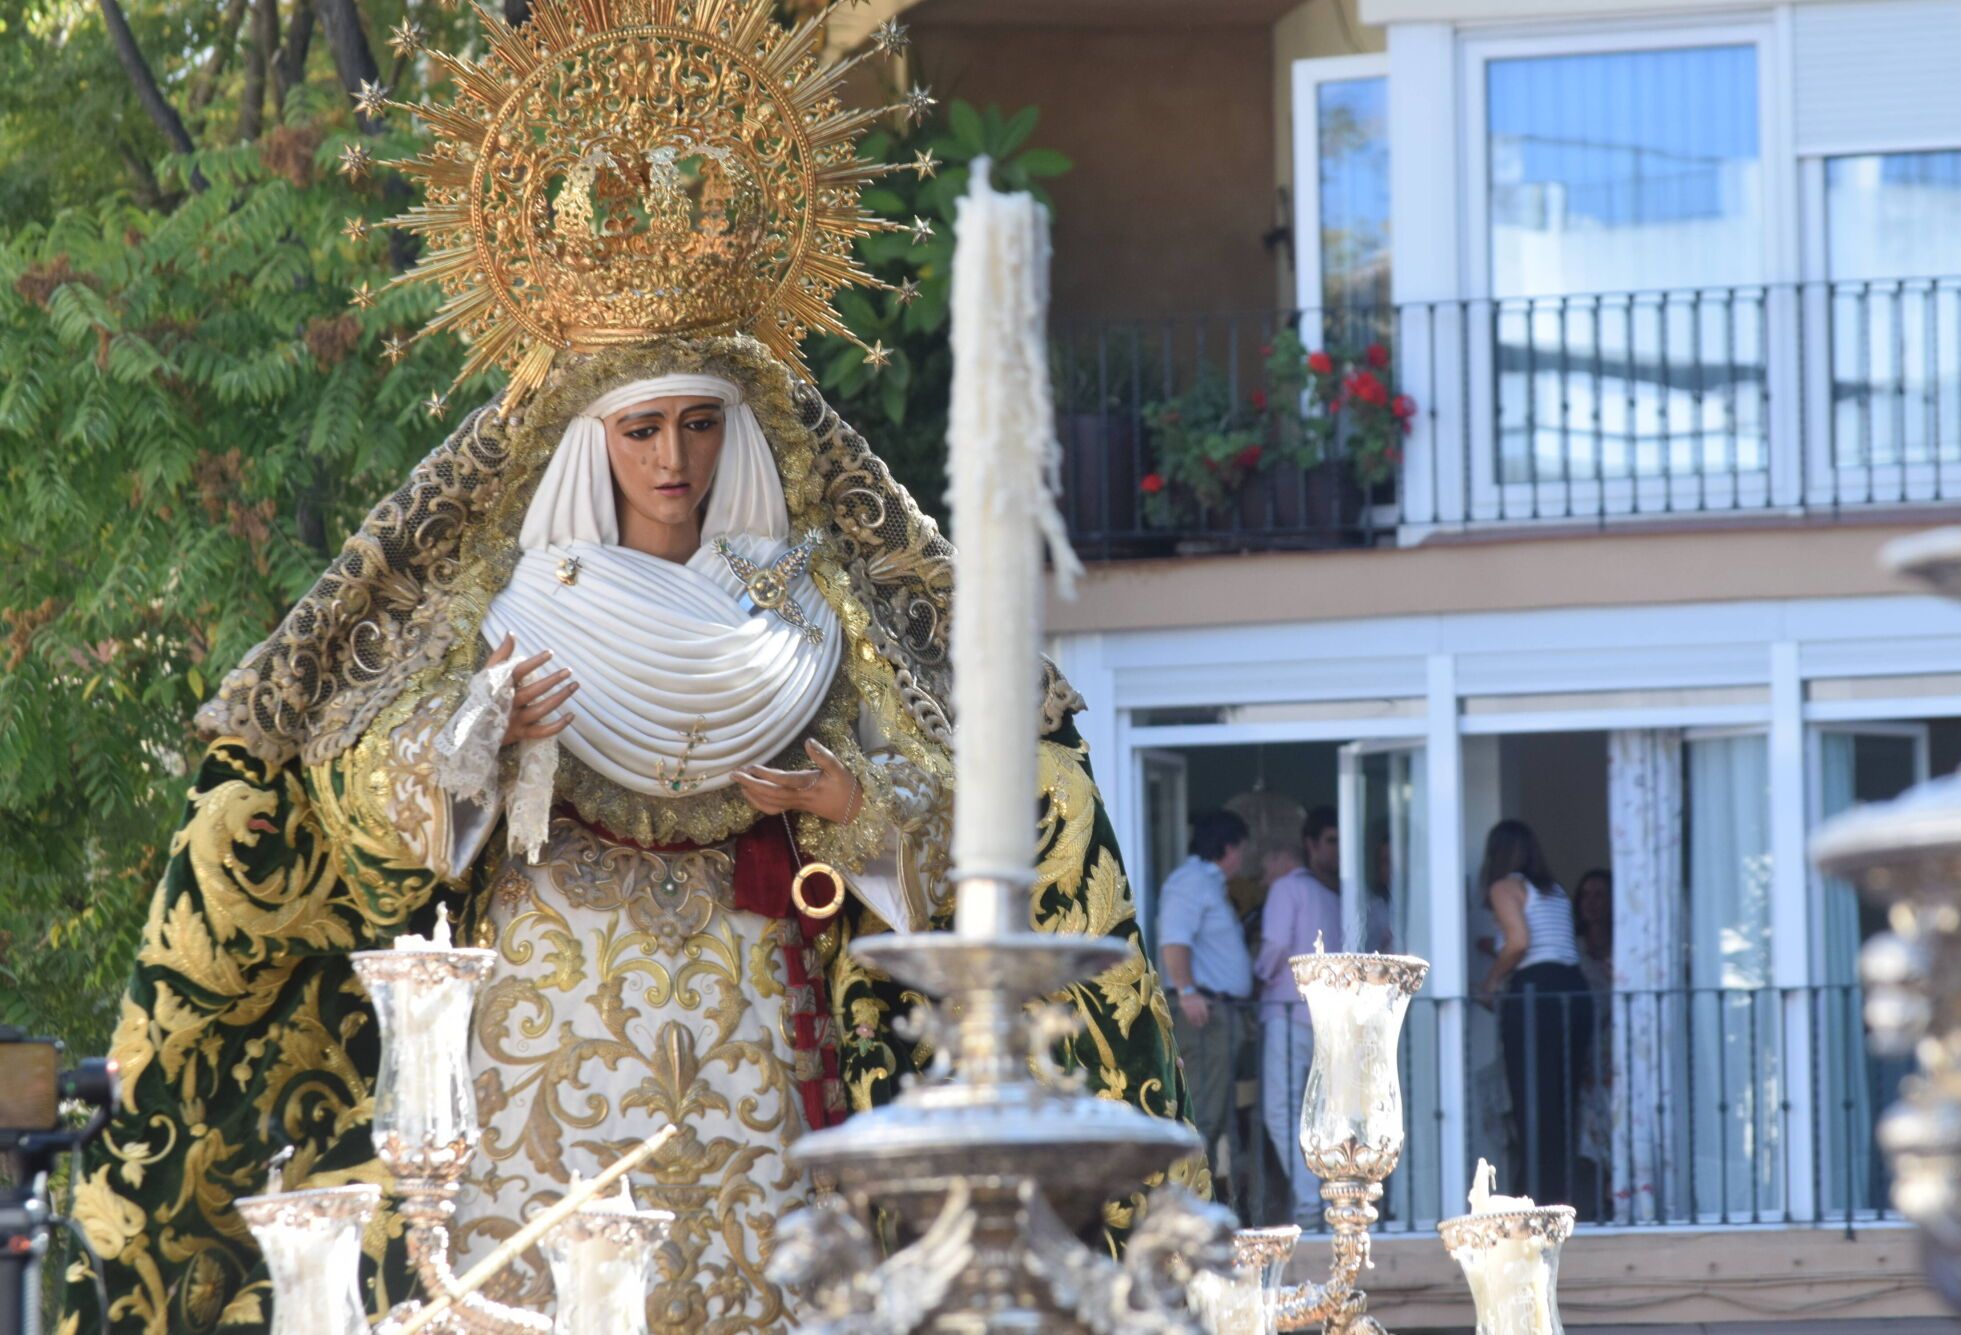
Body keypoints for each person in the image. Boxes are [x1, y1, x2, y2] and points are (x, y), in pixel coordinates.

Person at [68, 5, 1201, 1328]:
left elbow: (985, 845)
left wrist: (852, 809)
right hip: (532, 1063)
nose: (675, 463)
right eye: (644, 430)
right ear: (589, 443)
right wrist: (472, 742)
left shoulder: (814, 600)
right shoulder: (499, 598)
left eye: (702, 428)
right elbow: (355, 809)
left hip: (760, 1063)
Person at [1477, 819, 1593, 1209]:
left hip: (1536, 995)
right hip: (1574, 990)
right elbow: (1546, 942)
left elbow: (1520, 942)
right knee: (1563, 1099)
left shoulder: (1503, 887)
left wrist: (1490, 982)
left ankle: (1534, 1197)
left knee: (1532, 1098)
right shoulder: (1554, 891)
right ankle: (1559, 1193)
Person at [1254, 806, 1345, 1224]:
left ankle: (1311, 1203)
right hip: (1327, 1018)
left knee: (1282, 1109)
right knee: (1319, 1111)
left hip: (1289, 1013)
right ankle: (1326, 1199)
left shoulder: (1288, 889)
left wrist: (1255, 980)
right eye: (1332, 840)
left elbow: (1273, 947)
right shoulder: (1334, 894)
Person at [1159, 809, 1255, 1198]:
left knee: (1216, 1114)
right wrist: (1186, 992)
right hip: (1203, 1016)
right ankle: (1188, 1205)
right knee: (1203, 1112)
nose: (1244, 859)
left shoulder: (1206, 883)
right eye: (1242, 850)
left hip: (1219, 1014)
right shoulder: (1191, 882)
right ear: (1228, 847)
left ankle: (1200, 1201)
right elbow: (1173, 941)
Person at [1573, 867, 1615, 1220]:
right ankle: (1604, 1194)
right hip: (1591, 1052)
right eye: (1586, 895)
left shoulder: (1628, 949)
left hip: (1624, 1048)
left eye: (1600, 895)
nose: (1592, 903)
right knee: (1593, 1121)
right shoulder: (1576, 953)